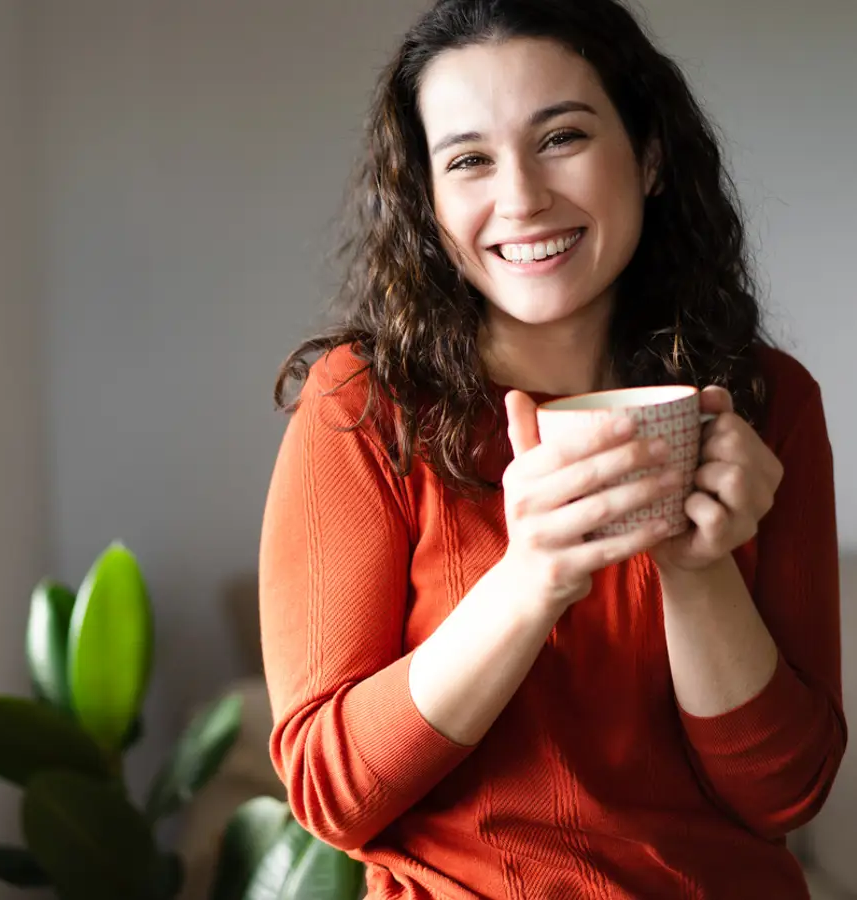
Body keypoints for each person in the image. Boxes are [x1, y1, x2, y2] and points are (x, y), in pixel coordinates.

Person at [258, 0, 845, 896]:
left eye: (562, 137)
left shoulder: (768, 403)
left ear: (648, 155)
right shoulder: (365, 406)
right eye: (468, 161)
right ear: (429, 199)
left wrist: (698, 569)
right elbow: (332, 794)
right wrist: (532, 579)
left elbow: (785, 795)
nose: (522, 198)